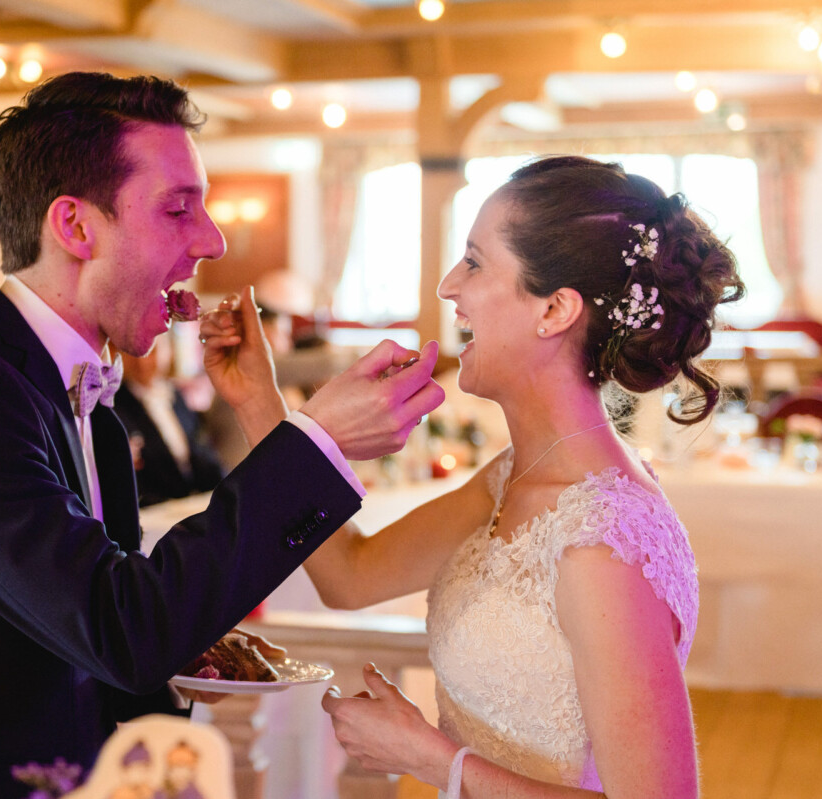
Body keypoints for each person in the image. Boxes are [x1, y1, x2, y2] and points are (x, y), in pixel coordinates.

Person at [0, 71, 444, 799]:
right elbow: (119, 627)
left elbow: (91, 636)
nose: (212, 241)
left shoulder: (87, 402)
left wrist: (180, 662)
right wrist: (312, 441)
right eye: (179, 209)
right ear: (75, 226)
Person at [304, 155, 744, 797]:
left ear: (556, 309)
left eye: (476, 262)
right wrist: (266, 405)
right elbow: (348, 577)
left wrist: (432, 760)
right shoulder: (513, 476)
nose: (448, 285)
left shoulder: (601, 540)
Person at [112, 339, 224, 507]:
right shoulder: (115, 404)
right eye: (137, 353)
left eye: (153, 351)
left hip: (193, 503)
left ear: (169, 352)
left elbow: (200, 450)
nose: (143, 361)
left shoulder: (176, 396)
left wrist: (227, 488)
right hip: (155, 508)